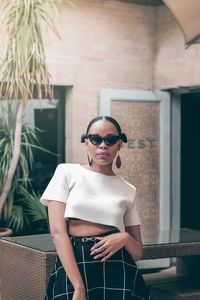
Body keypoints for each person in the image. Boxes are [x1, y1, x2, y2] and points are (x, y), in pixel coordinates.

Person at [40, 115, 150, 300]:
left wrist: (123, 238)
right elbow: (57, 232)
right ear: (86, 143)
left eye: (111, 139)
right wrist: (78, 286)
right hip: (74, 265)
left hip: (118, 267)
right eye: (96, 139)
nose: (103, 145)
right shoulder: (66, 172)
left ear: (119, 144)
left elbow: (137, 252)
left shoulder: (128, 189)